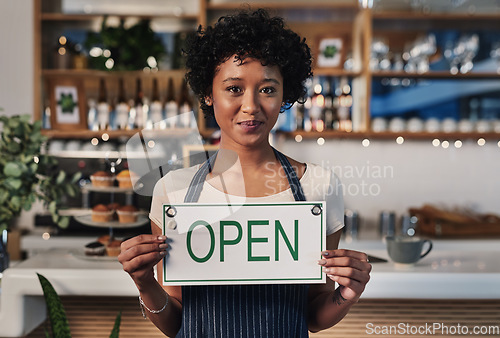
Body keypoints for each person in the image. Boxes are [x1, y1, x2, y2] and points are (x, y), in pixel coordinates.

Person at [119, 9, 371, 337]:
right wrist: (145, 283)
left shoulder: (318, 186)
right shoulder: (174, 190)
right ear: (209, 93)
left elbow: (312, 313)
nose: (251, 105)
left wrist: (346, 294)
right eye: (234, 88)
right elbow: (176, 318)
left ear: (285, 94)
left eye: (267, 89)